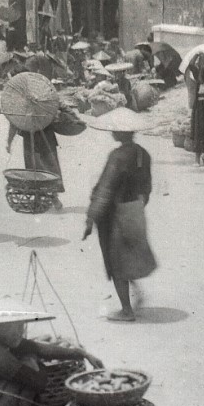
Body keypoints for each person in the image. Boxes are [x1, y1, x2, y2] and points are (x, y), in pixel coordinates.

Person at [84, 108, 157, 322]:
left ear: (118, 133)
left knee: (116, 262)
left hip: (114, 214)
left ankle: (126, 311)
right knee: (131, 254)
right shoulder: (143, 153)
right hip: (134, 208)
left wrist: (91, 217)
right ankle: (135, 291)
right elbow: (147, 186)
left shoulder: (117, 156)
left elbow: (106, 189)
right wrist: (139, 204)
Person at [6, 123, 64, 209]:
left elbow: (14, 121)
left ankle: (53, 197)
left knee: (48, 167)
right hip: (32, 137)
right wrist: (9, 141)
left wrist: (9, 141)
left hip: (44, 136)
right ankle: (40, 197)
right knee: (34, 168)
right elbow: (15, 120)